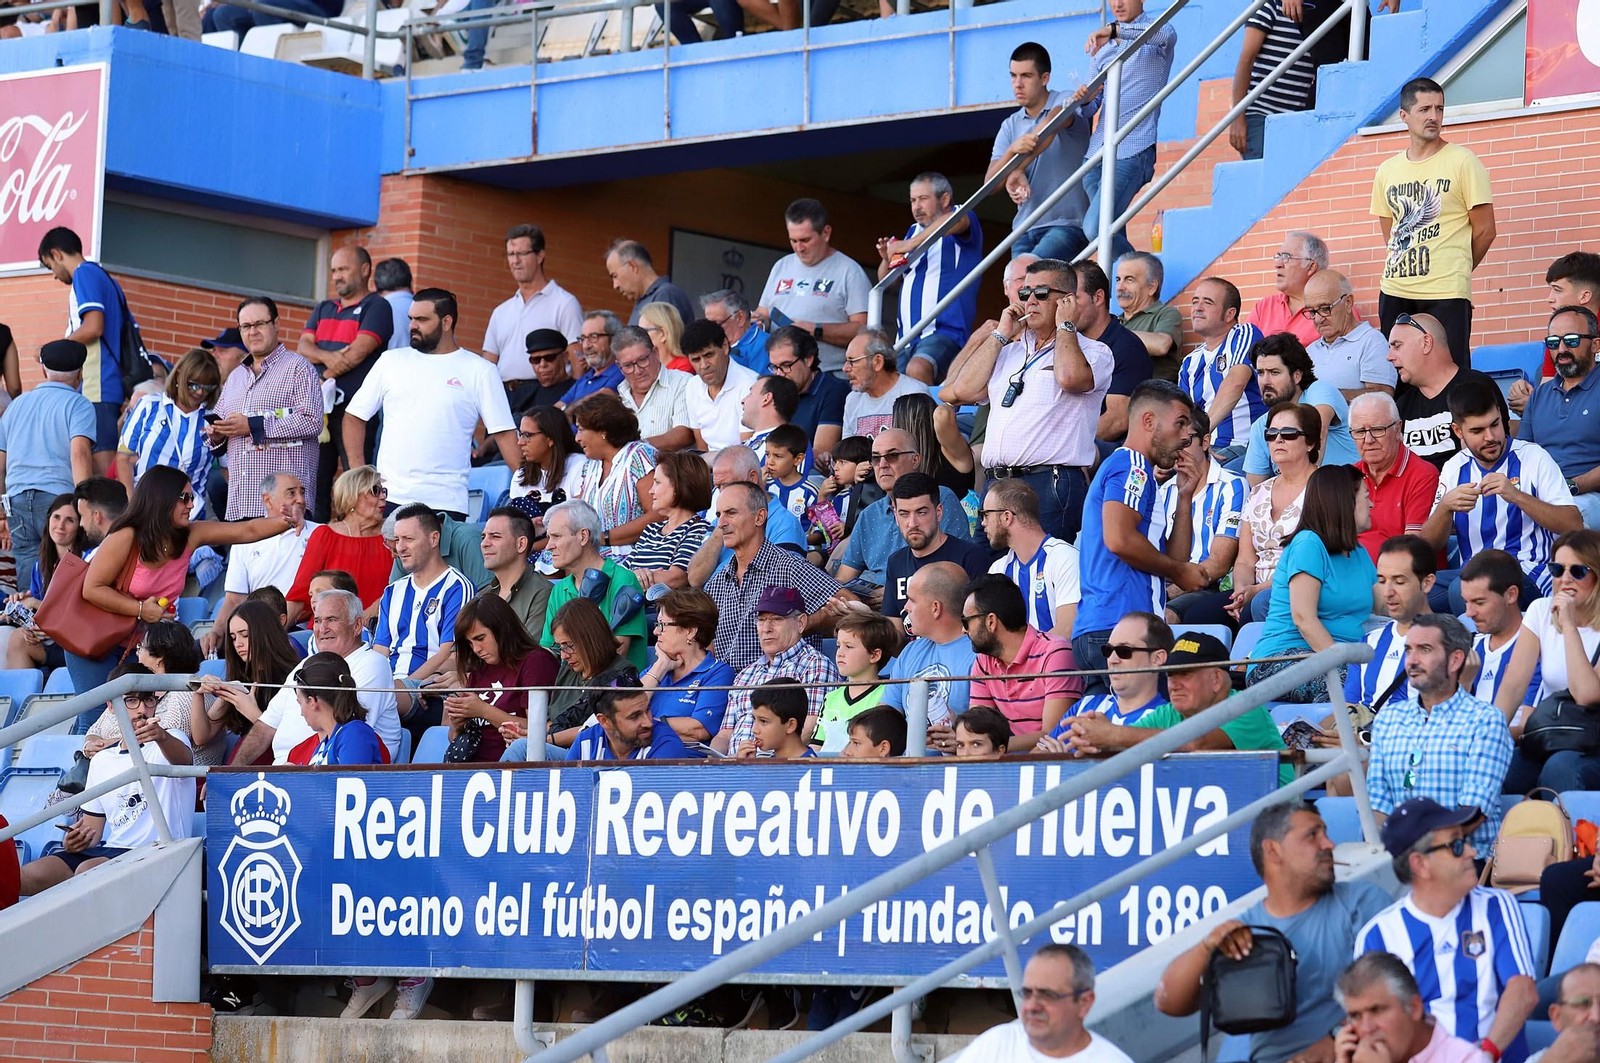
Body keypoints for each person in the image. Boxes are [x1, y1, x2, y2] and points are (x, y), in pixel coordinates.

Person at [1156, 803, 1392, 1063]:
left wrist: (1335, 1039)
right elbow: (1168, 1002)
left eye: (1325, 833)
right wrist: (1206, 948)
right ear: (1273, 850)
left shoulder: (1360, 903)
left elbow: (1399, 992)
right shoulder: (1243, 932)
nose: (1329, 844)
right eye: (1312, 835)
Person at [69, 467, 290, 695]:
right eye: (185, 498)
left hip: (138, 647)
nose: (191, 505)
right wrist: (141, 609)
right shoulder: (127, 536)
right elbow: (92, 589)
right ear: (162, 498)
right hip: (95, 639)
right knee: (95, 714)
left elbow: (246, 530)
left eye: (192, 498)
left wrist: (287, 521)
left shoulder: (189, 535)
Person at [943, 258, 1114, 545]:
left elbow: (1070, 377)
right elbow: (962, 390)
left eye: (1041, 293)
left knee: (1041, 577)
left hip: (1048, 483)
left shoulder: (1095, 351)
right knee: (989, 579)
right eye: (1025, 293)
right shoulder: (1008, 351)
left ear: (1067, 301)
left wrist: (1066, 326)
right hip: (996, 484)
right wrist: (1000, 334)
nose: (1030, 301)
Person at [1356, 797, 1538, 1063]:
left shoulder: (1497, 906)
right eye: (1456, 845)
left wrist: (1483, 1056)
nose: (1472, 852)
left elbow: (1523, 992)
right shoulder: (1377, 936)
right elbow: (1374, 1028)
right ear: (1420, 864)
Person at [1072, 381, 1207, 692]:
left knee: (1112, 737)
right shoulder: (1133, 466)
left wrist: (1184, 498)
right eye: (1180, 423)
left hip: (1100, 629)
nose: (1187, 435)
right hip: (1124, 630)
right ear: (1149, 422)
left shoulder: (1133, 469)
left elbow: (1173, 559)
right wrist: (1179, 572)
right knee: (1148, 733)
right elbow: (1119, 540)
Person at [17, 671, 194, 896]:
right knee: (26, 876)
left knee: (87, 871)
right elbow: (93, 831)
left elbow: (183, 762)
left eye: (149, 699)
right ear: (111, 706)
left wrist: (161, 737)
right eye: (131, 700)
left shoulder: (171, 738)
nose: (142, 709)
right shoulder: (102, 759)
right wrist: (75, 842)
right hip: (112, 850)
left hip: (158, 850)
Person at [345, 289, 519, 517]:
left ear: (447, 322)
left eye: (422, 319)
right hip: (389, 499)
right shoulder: (391, 361)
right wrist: (362, 479)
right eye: (411, 319)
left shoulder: (481, 370)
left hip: (446, 504)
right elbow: (354, 417)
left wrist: (530, 489)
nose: (412, 326)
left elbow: (504, 434)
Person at [1370, 78, 1496, 368]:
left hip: (1446, 291)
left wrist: (1457, 267)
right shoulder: (1387, 170)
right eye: (1425, 109)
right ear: (1404, 116)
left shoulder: (1463, 162)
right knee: (1398, 373)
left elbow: (1486, 230)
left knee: (1450, 371)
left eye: (1439, 109)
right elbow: (1390, 232)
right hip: (1395, 289)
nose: (1434, 117)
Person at [1061, 631, 1293, 785]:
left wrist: (1111, 733)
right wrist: (1091, 740)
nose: (1173, 684)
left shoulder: (1245, 707)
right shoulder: (1169, 713)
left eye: (1184, 674)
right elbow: (1126, 742)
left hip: (1278, 828)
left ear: (1215, 679)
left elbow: (1196, 744)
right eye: (1171, 675)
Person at [1421, 377, 1579, 601]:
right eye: (1477, 430)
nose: (1491, 437)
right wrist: (1445, 508)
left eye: (1495, 424)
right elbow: (1428, 546)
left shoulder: (1533, 457)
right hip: (1471, 574)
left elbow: (1573, 524)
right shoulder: (1454, 467)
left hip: (1529, 572)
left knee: (1461, 592)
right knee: (1412, 592)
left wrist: (1517, 496)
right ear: (1458, 431)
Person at [1367, 615, 1512, 854]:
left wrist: (1419, 851)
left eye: (1424, 650)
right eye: (1408, 650)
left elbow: (1472, 812)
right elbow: (1377, 806)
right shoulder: (1388, 719)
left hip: (1460, 859)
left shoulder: (1485, 720)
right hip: (1399, 860)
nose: (1411, 661)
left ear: (1455, 660)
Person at [1246, 464, 1379, 702]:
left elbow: (1387, 604)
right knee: (1349, 680)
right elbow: (1304, 620)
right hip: (1281, 659)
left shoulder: (1358, 551)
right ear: (1344, 502)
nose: (1371, 505)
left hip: (1337, 658)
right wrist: (1348, 664)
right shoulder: (1308, 544)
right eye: (1366, 497)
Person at [235, 588, 403, 765]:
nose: (322, 629)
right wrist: (230, 772)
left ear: (357, 625)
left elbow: (344, 733)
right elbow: (265, 726)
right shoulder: (305, 664)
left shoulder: (372, 663)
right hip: (290, 772)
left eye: (331, 619)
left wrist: (296, 773)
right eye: (317, 620)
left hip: (324, 774)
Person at [1494, 531, 1600, 793]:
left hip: (1594, 742)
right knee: (1497, 766)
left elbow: (1587, 694)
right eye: (1557, 569)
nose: (1564, 580)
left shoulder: (1563, 619)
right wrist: (1491, 735)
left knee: (1561, 768)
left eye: (1577, 572)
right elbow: (1514, 685)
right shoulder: (1541, 610)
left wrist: (1569, 625)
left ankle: (1576, 834)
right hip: (1556, 734)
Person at [703, 481, 844, 670]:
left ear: (759, 517)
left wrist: (803, 623)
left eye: (731, 513)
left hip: (779, 689)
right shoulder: (716, 583)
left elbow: (849, 604)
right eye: (719, 515)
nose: (720, 523)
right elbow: (708, 648)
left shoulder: (790, 567)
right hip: (727, 693)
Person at [297, 246, 394, 514]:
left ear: (365, 270)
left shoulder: (378, 307)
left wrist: (323, 375)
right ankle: (315, 539)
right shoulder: (324, 307)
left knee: (357, 479)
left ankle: (357, 537)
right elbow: (303, 345)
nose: (337, 276)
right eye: (333, 270)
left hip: (357, 411)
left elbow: (358, 351)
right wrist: (331, 357)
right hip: (320, 413)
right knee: (313, 483)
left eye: (343, 269)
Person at [210, 297, 323, 522]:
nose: (252, 332)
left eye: (259, 324)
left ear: (276, 324)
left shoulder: (299, 368)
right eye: (246, 326)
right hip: (241, 503)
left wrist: (252, 425)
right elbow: (219, 430)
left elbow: (312, 420)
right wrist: (217, 434)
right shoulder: (235, 377)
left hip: (285, 509)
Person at [1078, 0, 1176, 259]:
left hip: (1133, 149)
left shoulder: (1158, 33)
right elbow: (1092, 106)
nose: (1117, 4)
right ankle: (1119, 294)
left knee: (1094, 229)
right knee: (1110, 233)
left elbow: (1165, 34)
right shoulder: (1103, 47)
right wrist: (1084, 100)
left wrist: (1114, 30)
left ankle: (1141, 275)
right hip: (1096, 156)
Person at [36, 226, 132, 473]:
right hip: (106, 387)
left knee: (101, 481)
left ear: (57, 254)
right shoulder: (102, 276)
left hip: (97, 386)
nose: (55, 276)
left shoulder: (84, 274)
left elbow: (93, 326)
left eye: (50, 266)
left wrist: (54, 349)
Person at [0, 338, 95, 587]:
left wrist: (1, 508)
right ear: (80, 373)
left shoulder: (16, 405)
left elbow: (0, 462)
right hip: (57, 500)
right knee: (63, 565)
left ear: (43, 370)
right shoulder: (79, 404)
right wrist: (84, 501)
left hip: (16, 499)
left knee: (26, 567)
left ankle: (28, 621)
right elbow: (80, 454)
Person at [986, 43, 1090, 263]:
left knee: (1029, 277)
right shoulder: (1010, 124)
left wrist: (1017, 168)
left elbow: (1050, 125)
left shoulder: (1065, 99)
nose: (1018, 84)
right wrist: (1012, 153)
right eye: (1013, 76)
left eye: (1026, 76)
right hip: (1023, 227)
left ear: (1045, 78)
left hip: (1067, 224)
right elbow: (990, 185)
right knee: (1019, 290)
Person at [877, 171, 984, 385]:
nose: (916, 207)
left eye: (923, 199)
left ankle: (925, 420)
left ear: (944, 199)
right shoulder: (913, 231)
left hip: (945, 331)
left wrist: (906, 245)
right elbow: (887, 282)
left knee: (917, 369)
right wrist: (886, 258)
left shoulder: (960, 214)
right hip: (906, 338)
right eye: (912, 200)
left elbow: (957, 221)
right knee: (888, 388)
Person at [835, 429, 970, 597]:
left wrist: (895, 593)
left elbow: (956, 569)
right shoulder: (868, 515)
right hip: (866, 607)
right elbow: (844, 576)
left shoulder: (940, 498)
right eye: (876, 458)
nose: (882, 465)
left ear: (915, 460)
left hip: (924, 602)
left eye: (892, 456)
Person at [374, 504, 475, 721]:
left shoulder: (457, 587)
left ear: (433, 539)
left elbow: (448, 653)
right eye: (398, 540)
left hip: (425, 691)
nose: (400, 547)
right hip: (387, 689)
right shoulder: (393, 591)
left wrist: (402, 687)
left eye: (408, 539)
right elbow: (379, 652)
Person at [960, 573, 1078, 753]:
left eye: (966, 622)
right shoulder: (984, 662)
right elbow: (978, 730)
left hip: (1054, 762)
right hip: (1010, 763)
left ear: (991, 621)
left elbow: (1054, 735)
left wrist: (991, 748)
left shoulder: (1054, 653)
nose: (963, 630)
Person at [717, 586, 840, 754]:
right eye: (761, 620)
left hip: (779, 770)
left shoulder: (816, 666)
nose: (766, 628)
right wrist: (715, 765)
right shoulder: (745, 675)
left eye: (776, 619)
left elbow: (807, 731)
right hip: (736, 771)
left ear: (801, 623)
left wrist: (764, 762)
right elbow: (724, 735)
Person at [206, 473, 318, 656]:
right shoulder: (245, 540)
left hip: (299, 630)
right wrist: (217, 631)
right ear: (268, 500)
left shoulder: (319, 532)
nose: (301, 499)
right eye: (291, 493)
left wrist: (271, 629)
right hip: (254, 631)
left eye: (302, 492)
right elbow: (234, 599)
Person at [958, 945, 1132, 1063]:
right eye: (1027, 993)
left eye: (1047, 995)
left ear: (1085, 1002)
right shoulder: (995, 1044)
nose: (1032, 1006)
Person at [756, 199, 870, 375]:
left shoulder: (849, 271)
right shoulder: (782, 265)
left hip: (828, 375)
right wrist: (759, 321)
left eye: (805, 240)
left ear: (826, 232)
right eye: (793, 240)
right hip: (779, 374)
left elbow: (864, 330)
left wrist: (816, 329)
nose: (798, 248)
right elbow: (763, 312)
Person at [1156, 410, 1247, 626]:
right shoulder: (1163, 491)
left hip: (1207, 586)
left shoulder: (1232, 486)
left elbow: (1219, 563)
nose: (1178, 450)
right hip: (1164, 583)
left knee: (1162, 619)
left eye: (1185, 441)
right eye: (1172, 442)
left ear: (1206, 441)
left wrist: (1169, 593)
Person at [482, 224, 584, 412]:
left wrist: (575, 407)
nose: (515, 261)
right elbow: (487, 363)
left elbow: (577, 359)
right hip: (503, 396)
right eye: (511, 254)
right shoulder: (501, 311)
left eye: (521, 253)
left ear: (540, 256)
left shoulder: (565, 303)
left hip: (546, 393)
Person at [445, 594, 558, 763]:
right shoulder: (480, 670)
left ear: (501, 628)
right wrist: (457, 724)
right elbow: (454, 738)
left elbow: (540, 729)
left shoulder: (536, 661)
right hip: (471, 769)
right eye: (469, 643)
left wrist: (483, 710)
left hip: (512, 769)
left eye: (480, 638)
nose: (476, 649)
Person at [538, 500, 648, 670]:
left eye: (556, 536)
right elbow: (548, 652)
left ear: (583, 536)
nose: (548, 546)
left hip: (615, 691)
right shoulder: (559, 589)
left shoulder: (622, 580)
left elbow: (618, 651)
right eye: (548, 537)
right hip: (573, 690)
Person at [1334, 952, 1498, 1063]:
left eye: (1377, 1010)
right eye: (1355, 1015)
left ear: (1414, 1007)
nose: (1367, 1028)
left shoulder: (1467, 1060)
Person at [1518, 306, 1600, 528]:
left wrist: (1572, 485)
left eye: (1571, 340)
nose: (1561, 349)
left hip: (1589, 497)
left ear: (1595, 344)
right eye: (1553, 343)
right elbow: (1523, 454)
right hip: (1543, 495)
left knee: (1555, 525)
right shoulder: (1540, 395)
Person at [191, 600, 299, 766]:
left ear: (265, 633)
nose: (238, 644)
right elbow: (202, 736)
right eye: (233, 638)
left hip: (275, 767)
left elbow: (294, 742)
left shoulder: (292, 678)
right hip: (243, 762)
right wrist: (198, 693)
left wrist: (252, 713)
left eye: (245, 635)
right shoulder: (241, 679)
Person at [1039, 612, 1170, 747]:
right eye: (1107, 650)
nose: (1112, 660)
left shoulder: (1169, 718)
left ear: (1157, 659)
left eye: (1124, 651)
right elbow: (1038, 753)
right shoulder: (1085, 706)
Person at [116, 347, 219, 518]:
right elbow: (124, 457)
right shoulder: (149, 405)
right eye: (194, 384)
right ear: (179, 375)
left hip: (188, 515)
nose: (200, 392)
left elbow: (226, 468)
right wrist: (131, 504)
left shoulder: (214, 418)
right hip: (143, 507)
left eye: (207, 387)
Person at [1243, 333, 1359, 482]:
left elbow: (1318, 430)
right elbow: (1256, 488)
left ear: (1297, 376)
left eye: (1274, 372)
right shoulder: (1260, 426)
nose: (1265, 381)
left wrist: (1303, 494)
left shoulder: (1319, 391)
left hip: (1348, 493)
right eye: (1260, 373)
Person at [883, 472, 992, 630]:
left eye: (921, 512)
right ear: (895, 516)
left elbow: (984, 627)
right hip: (912, 654)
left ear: (939, 512)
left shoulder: (970, 558)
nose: (912, 523)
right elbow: (894, 633)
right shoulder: (896, 562)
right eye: (904, 514)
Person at [286, 466, 391, 620]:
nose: (382, 496)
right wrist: (275, 635)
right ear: (352, 496)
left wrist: (368, 618)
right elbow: (300, 592)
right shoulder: (325, 535)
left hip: (382, 627)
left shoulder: (392, 535)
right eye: (375, 491)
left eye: (383, 491)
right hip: (330, 628)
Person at [1178, 276, 1266, 463]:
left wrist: (1201, 434)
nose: (1198, 308)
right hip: (1205, 449)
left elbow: (1236, 383)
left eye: (1207, 302)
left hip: (1244, 447)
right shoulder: (1189, 362)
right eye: (1195, 301)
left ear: (1229, 314)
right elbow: (1184, 416)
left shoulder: (1244, 334)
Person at [883, 562, 978, 733]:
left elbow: (985, 733)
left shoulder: (980, 654)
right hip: (908, 758)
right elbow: (885, 717)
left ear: (936, 608)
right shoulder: (910, 651)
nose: (906, 607)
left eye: (912, 600)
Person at [1344, 535, 1435, 713]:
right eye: (1382, 581)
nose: (1387, 592)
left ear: (1427, 583)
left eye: (1399, 581)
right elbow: (1347, 711)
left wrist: (1363, 738)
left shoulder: (1450, 643)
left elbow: (1440, 724)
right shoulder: (1368, 643)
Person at [982, 478, 1079, 641]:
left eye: (985, 514)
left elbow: (1068, 628)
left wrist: (1025, 659)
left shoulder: (1064, 558)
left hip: (1056, 664)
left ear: (1007, 517)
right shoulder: (997, 569)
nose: (983, 523)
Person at [1070, 261, 1152, 444]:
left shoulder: (1127, 347)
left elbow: (1117, 420)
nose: (1066, 308)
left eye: (1074, 298)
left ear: (1098, 297)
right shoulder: (1066, 343)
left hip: (1105, 451)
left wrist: (1066, 447)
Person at [640, 587, 732, 747]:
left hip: (681, 765)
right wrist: (660, 666)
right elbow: (626, 709)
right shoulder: (655, 672)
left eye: (662, 625)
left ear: (690, 631)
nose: (655, 631)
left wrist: (641, 724)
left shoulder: (718, 673)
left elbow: (698, 729)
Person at [1354, 391, 1441, 562]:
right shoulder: (1348, 476)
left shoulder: (1423, 475)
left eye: (1378, 430)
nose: (1368, 439)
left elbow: (1412, 551)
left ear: (1397, 429)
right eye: (1359, 432)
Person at [570, 393, 658, 560]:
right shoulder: (591, 466)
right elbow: (577, 510)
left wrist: (604, 538)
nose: (577, 438)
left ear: (603, 431)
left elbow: (658, 514)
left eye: (581, 430)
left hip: (634, 554)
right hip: (592, 551)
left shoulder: (639, 455)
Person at [545, 598, 643, 746]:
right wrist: (526, 734)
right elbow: (551, 721)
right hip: (555, 749)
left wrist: (543, 741)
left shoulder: (621, 673)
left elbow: (601, 728)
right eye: (559, 646)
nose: (564, 655)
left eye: (568, 645)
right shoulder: (567, 669)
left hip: (591, 753)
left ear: (590, 639)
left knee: (520, 749)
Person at [4, 492, 84, 672]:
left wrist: (33, 603)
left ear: (80, 525)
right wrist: (25, 618)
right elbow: (40, 618)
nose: (60, 526)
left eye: (70, 520)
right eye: (56, 517)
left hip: (77, 645)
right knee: (15, 636)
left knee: (16, 639)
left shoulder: (87, 561)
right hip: (50, 641)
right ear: (48, 520)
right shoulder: (40, 566)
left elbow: (81, 616)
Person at [1459, 550, 1541, 724]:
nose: (1468, 613)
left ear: (1511, 594)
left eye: (1479, 602)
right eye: (1466, 602)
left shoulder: (1538, 648)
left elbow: (1530, 730)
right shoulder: (1470, 648)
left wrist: (1481, 740)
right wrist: (1463, 685)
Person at [1230, 2, 1318, 161]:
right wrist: (1237, 118)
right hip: (1261, 117)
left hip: (1295, 121)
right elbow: (1246, 60)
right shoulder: (1270, 4)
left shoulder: (1317, 8)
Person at [1305, 269, 1396, 399]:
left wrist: (1327, 397)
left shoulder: (1371, 342)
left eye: (1325, 309)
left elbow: (1382, 397)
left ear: (1348, 302)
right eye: (1312, 312)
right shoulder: (1310, 351)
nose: (1318, 319)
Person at [629, 451, 713, 592]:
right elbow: (622, 573)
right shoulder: (651, 529)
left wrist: (635, 578)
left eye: (657, 483)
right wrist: (642, 576)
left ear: (678, 486)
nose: (651, 491)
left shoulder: (699, 529)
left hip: (662, 611)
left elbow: (676, 578)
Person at [815, 612, 897, 754]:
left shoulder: (889, 695)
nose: (840, 653)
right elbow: (816, 746)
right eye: (838, 645)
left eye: (849, 646)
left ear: (874, 655)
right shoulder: (831, 698)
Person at [288, 650, 386, 766]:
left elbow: (351, 782)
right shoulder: (324, 744)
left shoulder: (354, 734)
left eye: (300, 703)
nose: (301, 713)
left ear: (312, 701)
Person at [769, 326, 850, 460]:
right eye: (775, 367)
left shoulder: (835, 391)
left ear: (808, 359)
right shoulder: (775, 390)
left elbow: (821, 455)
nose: (779, 374)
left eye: (786, 365)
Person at [683, 317, 759, 453]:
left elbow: (747, 453)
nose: (704, 365)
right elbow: (702, 448)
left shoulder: (750, 385)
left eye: (709, 355)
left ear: (725, 346)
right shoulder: (692, 386)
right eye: (695, 359)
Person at [615, 325, 694, 453]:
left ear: (656, 353)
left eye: (642, 360)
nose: (638, 370)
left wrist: (636, 448)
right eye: (628, 365)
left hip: (671, 470)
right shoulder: (619, 396)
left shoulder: (682, 382)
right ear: (619, 366)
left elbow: (684, 434)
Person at [476, 506, 551, 638]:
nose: (484, 543)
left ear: (521, 544)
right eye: (484, 536)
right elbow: (459, 652)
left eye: (495, 536)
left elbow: (530, 654)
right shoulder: (481, 595)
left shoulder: (543, 593)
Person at [1247, 231, 1331, 346]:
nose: (1278, 264)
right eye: (1278, 256)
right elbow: (1244, 356)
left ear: (1311, 267)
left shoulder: (1335, 308)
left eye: (1286, 257)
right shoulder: (1264, 307)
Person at [565, 684, 690, 761]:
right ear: (604, 721)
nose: (648, 723)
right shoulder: (586, 743)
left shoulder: (666, 745)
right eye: (634, 716)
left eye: (647, 710)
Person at [842, 328, 928, 440]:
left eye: (852, 361)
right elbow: (848, 453)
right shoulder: (852, 400)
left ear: (877, 362)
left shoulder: (914, 393)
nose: (845, 368)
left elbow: (921, 451)